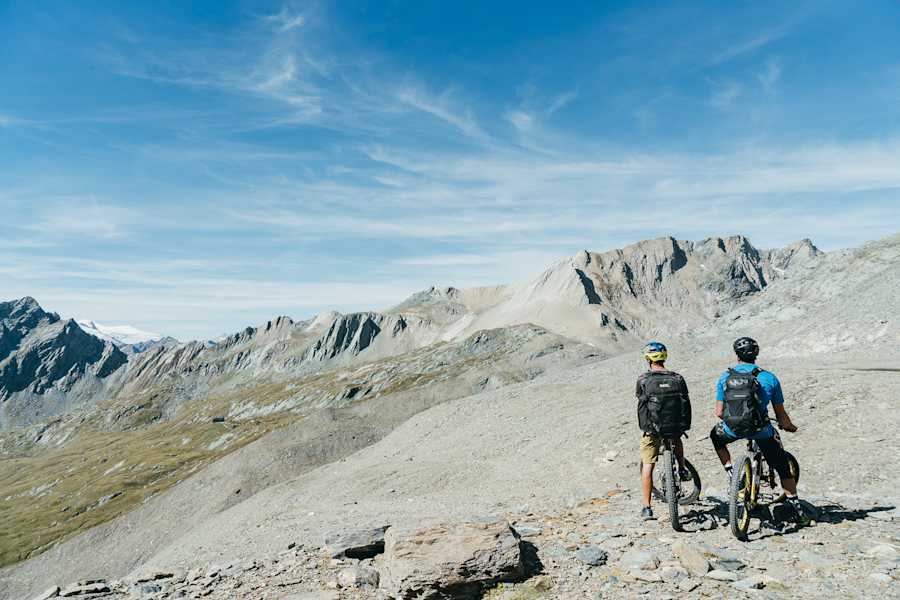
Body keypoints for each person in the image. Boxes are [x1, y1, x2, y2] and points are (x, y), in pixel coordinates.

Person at [711, 336, 810, 525]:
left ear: (737, 355)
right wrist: (789, 427)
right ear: (756, 353)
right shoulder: (769, 378)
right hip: (761, 430)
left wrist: (735, 422)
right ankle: (798, 511)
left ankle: (731, 473)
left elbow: (719, 412)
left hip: (732, 429)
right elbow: (781, 415)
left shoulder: (725, 377)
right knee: (783, 467)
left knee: (715, 437)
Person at [636, 341, 692, 521]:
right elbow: (686, 402)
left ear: (648, 359)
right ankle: (682, 468)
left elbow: (641, 403)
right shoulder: (678, 378)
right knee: (677, 439)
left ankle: (647, 508)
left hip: (652, 430)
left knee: (648, 465)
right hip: (675, 426)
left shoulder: (643, 380)